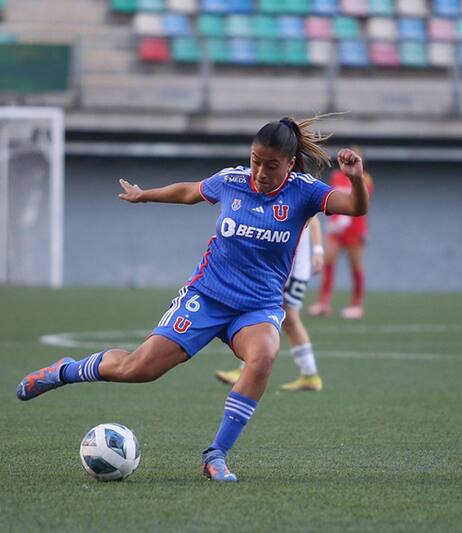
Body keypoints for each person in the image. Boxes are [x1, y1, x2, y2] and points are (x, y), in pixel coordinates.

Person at [15, 116, 369, 482]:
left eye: (271, 165)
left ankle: (215, 455)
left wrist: (356, 178)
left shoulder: (305, 191)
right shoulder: (231, 180)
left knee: (263, 355)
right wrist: (143, 195)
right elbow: (190, 192)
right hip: (207, 296)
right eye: (255, 160)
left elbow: (356, 207)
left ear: (290, 163)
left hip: (257, 306)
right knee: (139, 369)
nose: (260, 171)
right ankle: (64, 370)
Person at [214, 215, 327, 392]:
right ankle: (309, 375)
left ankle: (309, 375)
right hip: (279, 270)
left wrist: (318, 251)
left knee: (283, 318)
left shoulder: (299, 191)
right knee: (280, 319)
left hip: (293, 271)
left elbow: (314, 220)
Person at [307, 147, 374, 319]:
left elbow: (361, 202)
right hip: (336, 231)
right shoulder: (337, 176)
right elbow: (333, 197)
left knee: (355, 267)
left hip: (355, 230)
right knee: (328, 263)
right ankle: (323, 303)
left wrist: (347, 221)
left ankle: (357, 305)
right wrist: (334, 222)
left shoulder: (365, 179)